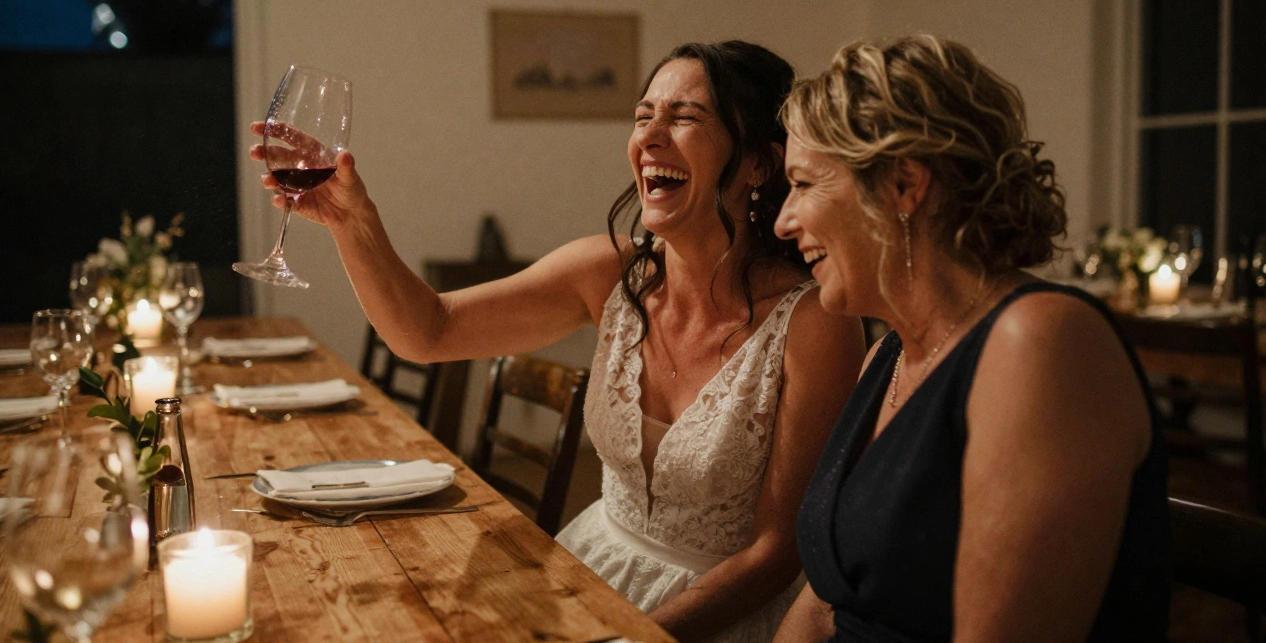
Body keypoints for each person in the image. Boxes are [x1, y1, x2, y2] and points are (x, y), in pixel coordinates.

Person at [251, 41, 865, 642]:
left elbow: (777, 552)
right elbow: (427, 331)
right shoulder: (607, 272)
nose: (650, 138)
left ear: (759, 163)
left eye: (684, 118)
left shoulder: (814, 321)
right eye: (644, 116)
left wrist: (631, 634)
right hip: (589, 571)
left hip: (720, 615)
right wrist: (353, 220)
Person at [770, 35, 1170, 642]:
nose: (782, 221)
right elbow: (825, 603)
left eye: (802, 184)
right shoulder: (888, 354)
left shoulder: (1041, 343)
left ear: (905, 185)